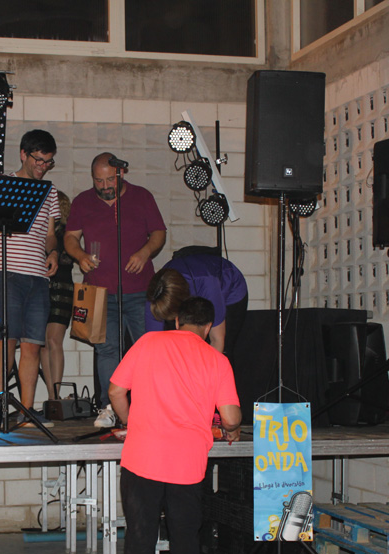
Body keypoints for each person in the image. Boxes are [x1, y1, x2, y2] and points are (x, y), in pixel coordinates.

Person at [108, 297, 241, 554]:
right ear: (208, 327)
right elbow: (229, 417)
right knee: (185, 542)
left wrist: (130, 422)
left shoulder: (148, 342)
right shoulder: (217, 360)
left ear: (177, 320)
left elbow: (116, 390)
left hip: (142, 460)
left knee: (140, 539)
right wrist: (233, 428)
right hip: (187, 466)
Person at [64, 152, 167, 428]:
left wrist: (145, 252)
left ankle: (150, 406)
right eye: (99, 181)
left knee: (147, 348)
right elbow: (70, 237)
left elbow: (159, 233)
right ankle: (108, 407)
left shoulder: (142, 196)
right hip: (99, 291)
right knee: (106, 349)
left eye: (110, 179)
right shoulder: (83, 201)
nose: (105, 186)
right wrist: (80, 256)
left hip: (140, 289)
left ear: (121, 174)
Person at [0, 129, 60, 428]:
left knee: (33, 344)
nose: (43, 167)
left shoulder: (49, 191)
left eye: (48, 162)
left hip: (38, 276)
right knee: (7, 337)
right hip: (6, 270)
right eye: (38, 160)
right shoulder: (1, 184)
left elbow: (50, 234)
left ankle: (26, 411)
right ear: (23, 154)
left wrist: (53, 252)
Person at [145, 252, 248, 356]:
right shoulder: (156, 297)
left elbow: (217, 340)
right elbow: (154, 345)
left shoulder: (208, 284)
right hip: (188, 287)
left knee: (223, 347)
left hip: (230, 288)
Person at [40, 191, 74, 401]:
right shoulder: (43, 233)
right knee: (44, 343)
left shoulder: (68, 235)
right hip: (44, 288)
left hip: (61, 289)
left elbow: (67, 261)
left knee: (53, 341)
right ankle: (52, 396)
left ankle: (55, 396)